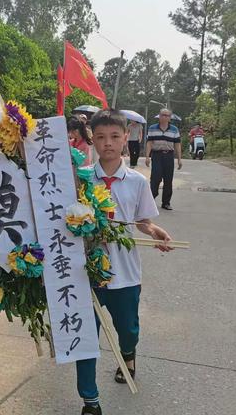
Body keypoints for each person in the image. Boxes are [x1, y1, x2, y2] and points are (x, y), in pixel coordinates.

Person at [76, 109, 174, 415]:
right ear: (92, 139)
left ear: (126, 139)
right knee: (85, 338)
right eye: (101, 137)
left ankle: (128, 353)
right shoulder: (80, 179)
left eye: (114, 137)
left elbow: (142, 221)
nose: (108, 143)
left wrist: (155, 230)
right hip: (86, 273)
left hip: (124, 273)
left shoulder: (136, 182)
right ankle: (90, 400)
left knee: (128, 328)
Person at [145, 108, 182, 210]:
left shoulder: (174, 130)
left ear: (170, 118)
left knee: (168, 180)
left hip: (169, 156)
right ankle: (150, 200)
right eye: (163, 115)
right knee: (155, 179)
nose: (165, 117)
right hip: (156, 155)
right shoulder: (152, 128)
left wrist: (179, 159)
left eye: (167, 115)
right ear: (159, 116)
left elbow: (177, 144)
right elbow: (149, 143)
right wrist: (147, 156)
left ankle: (166, 202)